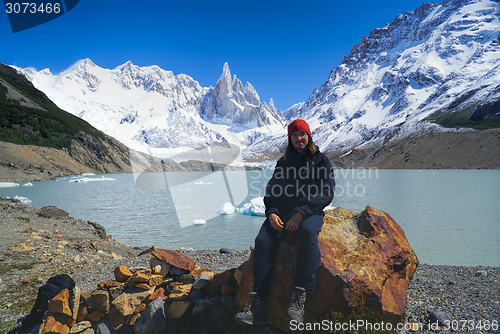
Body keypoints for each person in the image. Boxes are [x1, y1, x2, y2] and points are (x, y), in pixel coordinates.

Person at [235, 119, 335, 326]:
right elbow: (272, 190)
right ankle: (257, 302)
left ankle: (298, 299)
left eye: (303, 134)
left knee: (308, 235)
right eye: (295, 135)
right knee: (263, 241)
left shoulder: (321, 160)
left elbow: (327, 191)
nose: (300, 138)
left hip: (310, 212)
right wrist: (271, 212)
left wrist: (302, 213)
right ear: (290, 139)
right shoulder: (283, 163)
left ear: (309, 136)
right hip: (283, 212)